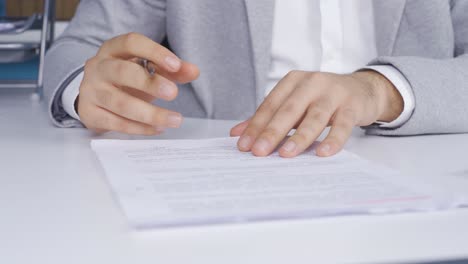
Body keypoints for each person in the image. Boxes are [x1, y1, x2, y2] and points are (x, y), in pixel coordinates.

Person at [44, 0, 468, 158]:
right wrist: (87, 89)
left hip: (420, 176)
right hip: (221, 170)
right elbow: (80, 46)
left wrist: (379, 89)